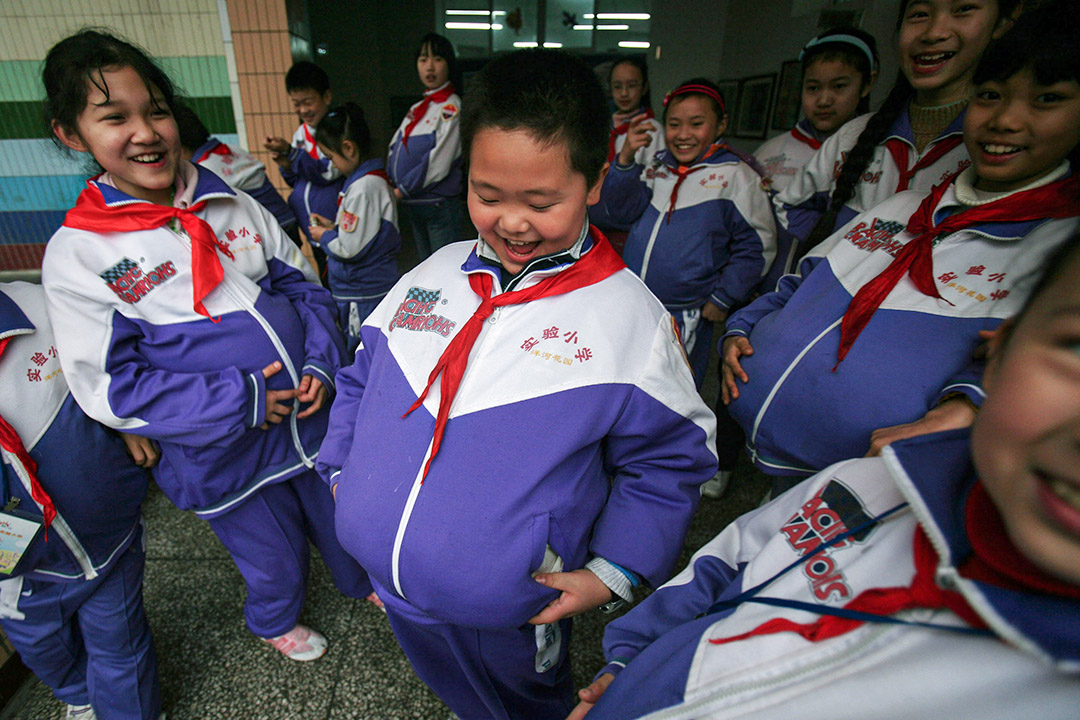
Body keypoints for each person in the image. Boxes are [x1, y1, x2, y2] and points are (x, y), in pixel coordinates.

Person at [317, 49, 717, 720]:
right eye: (487, 195)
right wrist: (341, 480)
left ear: (592, 184)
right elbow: (360, 380)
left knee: (525, 703)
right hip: (393, 588)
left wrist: (612, 570)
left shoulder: (627, 319)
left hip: (512, 610)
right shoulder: (431, 273)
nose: (512, 222)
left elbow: (671, 459)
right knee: (453, 690)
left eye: (542, 201)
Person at [570, 233, 1080, 720]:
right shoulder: (862, 488)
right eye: (1075, 349)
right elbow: (728, 562)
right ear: (1000, 354)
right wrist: (629, 663)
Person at [38, 29, 373, 663]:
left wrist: (319, 366)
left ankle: (362, 583)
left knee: (340, 514)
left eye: (156, 110)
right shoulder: (80, 255)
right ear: (72, 135)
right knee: (270, 552)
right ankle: (272, 619)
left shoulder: (229, 200)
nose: (145, 132)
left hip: (308, 417)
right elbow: (111, 387)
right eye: (115, 118)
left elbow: (305, 291)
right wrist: (243, 399)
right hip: (222, 451)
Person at [719, 0, 1080, 496]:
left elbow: (1045, 369)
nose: (1006, 120)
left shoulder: (1060, 249)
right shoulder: (905, 206)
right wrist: (742, 326)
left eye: (1046, 100)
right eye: (990, 96)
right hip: (782, 474)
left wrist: (967, 403)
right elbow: (798, 283)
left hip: (878, 489)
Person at [1, 282, 162, 719]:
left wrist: (123, 420)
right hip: (15, 577)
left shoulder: (37, 304)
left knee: (121, 641)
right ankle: (79, 696)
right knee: (44, 647)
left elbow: (101, 368)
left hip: (106, 533)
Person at [774, 0, 1021, 269]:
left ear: (1004, 23)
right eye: (920, 14)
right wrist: (840, 245)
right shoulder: (854, 135)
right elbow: (790, 204)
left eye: (963, 9)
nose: (933, 32)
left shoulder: (1003, 146)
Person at [596, 77, 776, 389]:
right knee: (630, 375)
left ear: (720, 126)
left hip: (687, 311)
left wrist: (724, 297)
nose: (683, 135)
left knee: (673, 384)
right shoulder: (657, 167)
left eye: (696, 124)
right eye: (674, 124)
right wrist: (624, 160)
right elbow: (622, 212)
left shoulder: (736, 176)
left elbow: (758, 244)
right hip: (639, 300)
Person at [308, 102, 402, 355]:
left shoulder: (363, 187)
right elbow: (364, 232)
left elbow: (349, 248)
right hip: (365, 288)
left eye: (331, 157)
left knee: (361, 351)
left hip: (363, 291)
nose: (332, 165)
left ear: (348, 148)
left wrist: (324, 235)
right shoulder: (367, 182)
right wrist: (334, 226)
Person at [755, 28, 879, 196]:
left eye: (839, 86)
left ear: (867, 84)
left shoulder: (881, 154)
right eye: (813, 88)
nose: (824, 101)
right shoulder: (768, 153)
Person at [172, 101, 302, 246]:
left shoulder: (203, 171)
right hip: (286, 220)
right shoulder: (231, 149)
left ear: (180, 148)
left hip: (267, 232)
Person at [387, 32, 466, 259]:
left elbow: (439, 161)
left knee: (442, 267)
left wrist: (402, 189)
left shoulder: (451, 106)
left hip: (437, 205)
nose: (429, 66)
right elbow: (395, 147)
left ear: (449, 64)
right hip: (416, 204)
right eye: (423, 60)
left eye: (437, 59)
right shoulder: (417, 108)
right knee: (425, 267)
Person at [263, 61, 344, 267]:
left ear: (326, 97)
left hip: (333, 224)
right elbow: (296, 181)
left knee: (339, 273)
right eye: (296, 104)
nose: (303, 110)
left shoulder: (336, 131)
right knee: (324, 273)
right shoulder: (301, 133)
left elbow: (327, 173)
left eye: (308, 102)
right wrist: (286, 164)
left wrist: (292, 153)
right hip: (311, 226)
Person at [589, 56, 665, 254]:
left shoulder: (651, 131)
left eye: (631, 86)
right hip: (593, 228)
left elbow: (651, 188)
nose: (623, 93)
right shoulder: (603, 128)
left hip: (627, 231)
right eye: (617, 86)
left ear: (644, 87)